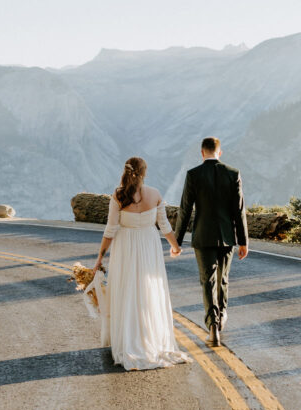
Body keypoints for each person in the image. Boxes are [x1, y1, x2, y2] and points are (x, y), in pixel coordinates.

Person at [93, 157, 190, 370]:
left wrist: (100, 257)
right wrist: (175, 246)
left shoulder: (118, 196)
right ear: (144, 173)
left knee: (127, 292)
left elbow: (110, 230)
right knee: (148, 293)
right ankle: (150, 340)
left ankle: (128, 341)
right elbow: (164, 226)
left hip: (125, 247)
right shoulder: (154, 194)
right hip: (149, 246)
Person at [174, 137, 249, 346]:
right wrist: (243, 241)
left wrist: (177, 241)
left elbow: (185, 210)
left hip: (202, 236)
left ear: (201, 152)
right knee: (223, 278)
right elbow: (239, 210)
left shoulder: (193, 175)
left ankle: (212, 326)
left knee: (207, 281)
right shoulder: (233, 174)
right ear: (220, 152)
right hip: (226, 237)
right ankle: (222, 314)